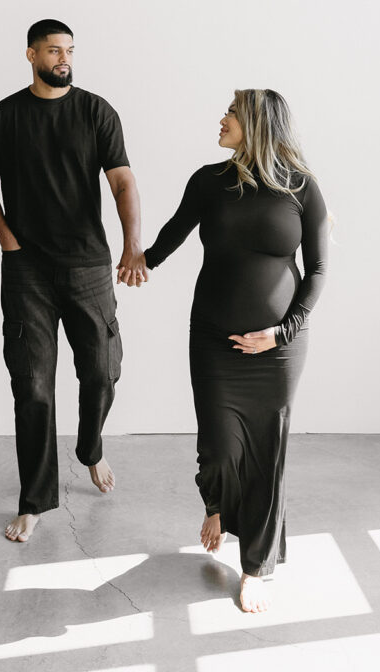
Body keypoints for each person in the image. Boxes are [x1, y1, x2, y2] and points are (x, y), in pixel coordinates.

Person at [139, 89, 329, 614]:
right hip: (214, 338)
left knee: (267, 456)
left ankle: (254, 568)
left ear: (258, 123)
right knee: (221, 448)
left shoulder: (302, 187)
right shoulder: (209, 181)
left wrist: (283, 332)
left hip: (279, 348)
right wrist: (140, 261)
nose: (220, 119)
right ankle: (218, 505)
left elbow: (316, 271)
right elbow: (174, 232)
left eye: (231, 112)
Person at [0, 19, 147, 543]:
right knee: (33, 385)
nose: (64, 59)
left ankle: (89, 447)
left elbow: (122, 181)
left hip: (88, 265)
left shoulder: (96, 111)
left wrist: (132, 245)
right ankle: (35, 499)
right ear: (31, 55)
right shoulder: (3, 116)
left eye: (69, 50)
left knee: (102, 370)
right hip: (27, 271)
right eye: (53, 50)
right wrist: (7, 239)